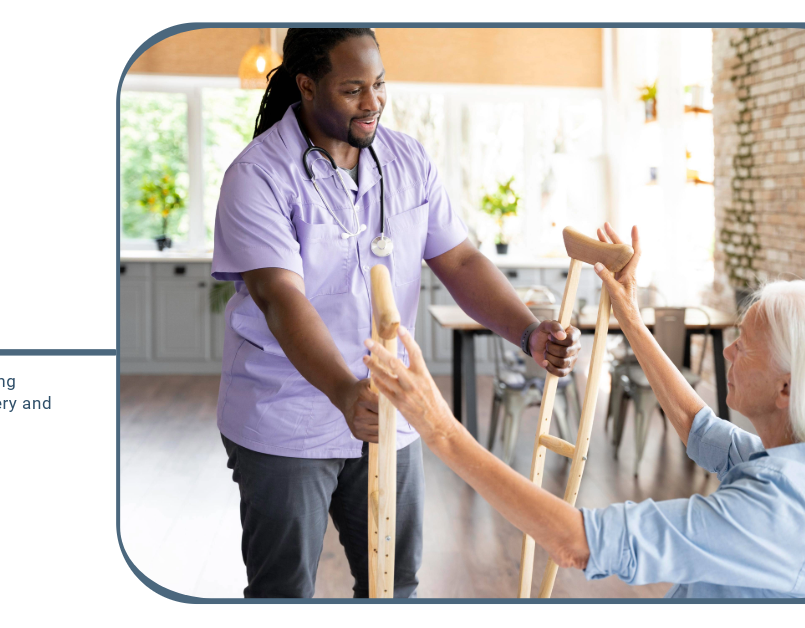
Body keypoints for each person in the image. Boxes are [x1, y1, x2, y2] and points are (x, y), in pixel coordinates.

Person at [210, 27, 582, 598]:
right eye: (354, 88)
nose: (374, 102)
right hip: (286, 415)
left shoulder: (408, 159)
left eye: (380, 84)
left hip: (390, 411)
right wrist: (342, 391)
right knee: (282, 591)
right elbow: (280, 299)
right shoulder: (257, 175)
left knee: (395, 586)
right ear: (306, 86)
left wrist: (529, 332)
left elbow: (458, 260)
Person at [364, 223, 805, 598]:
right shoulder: (782, 464)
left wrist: (440, 429)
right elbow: (698, 426)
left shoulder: (775, 510)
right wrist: (629, 315)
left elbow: (577, 542)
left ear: (786, 387)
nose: (727, 351)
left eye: (744, 347)